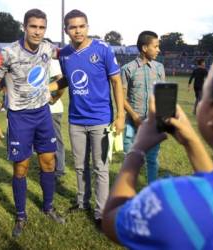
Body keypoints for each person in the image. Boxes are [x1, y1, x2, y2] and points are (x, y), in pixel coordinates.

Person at [102, 38, 213, 249]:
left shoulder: (175, 202)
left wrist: (137, 150)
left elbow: (112, 219)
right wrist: (191, 142)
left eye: (206, 91)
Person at [0, 9, 65, 238]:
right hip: (19, 117)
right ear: (24, 27)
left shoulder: (48, 48)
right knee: (21, 167)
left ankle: (48, 207)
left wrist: (56, 93)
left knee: (49, 162)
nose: (37, 32)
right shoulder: (8, 53)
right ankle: (21, 215)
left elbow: (68, 60)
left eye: (41, 27)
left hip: (43, 113)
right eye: (33, 26)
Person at [49, 9, 125, 227]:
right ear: (66, 30)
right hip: (76, 120)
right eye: (73, 27)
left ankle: (101, 213)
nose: (78, 30)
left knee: (100, 168)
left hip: (101, 119)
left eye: (82, 26)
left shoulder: (103, 49)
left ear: (87, 27)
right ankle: (82, 203)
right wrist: (49, 88)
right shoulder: (64, 54)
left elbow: (117, 82)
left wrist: (120, 115)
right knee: (80, 166)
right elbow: (65, 80)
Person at [121, 31, 165, 183]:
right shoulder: (128, 69)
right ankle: (127, 190)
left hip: (153, 123)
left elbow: (163, 95)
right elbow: (121, 97)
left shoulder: (159, 68)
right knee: (130, 160)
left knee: (152, 160)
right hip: (132, 124)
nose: (159, 50)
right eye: (156, 46)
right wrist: (134, 117)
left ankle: (152, 189)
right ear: (145, 48)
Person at [48, 58, 66, 181]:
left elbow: (61, 81)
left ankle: (59, 169)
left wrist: (54, 99)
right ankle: (49, 167)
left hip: (53, 110)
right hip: (42, 109)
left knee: (56, 140)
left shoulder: (52, 62)